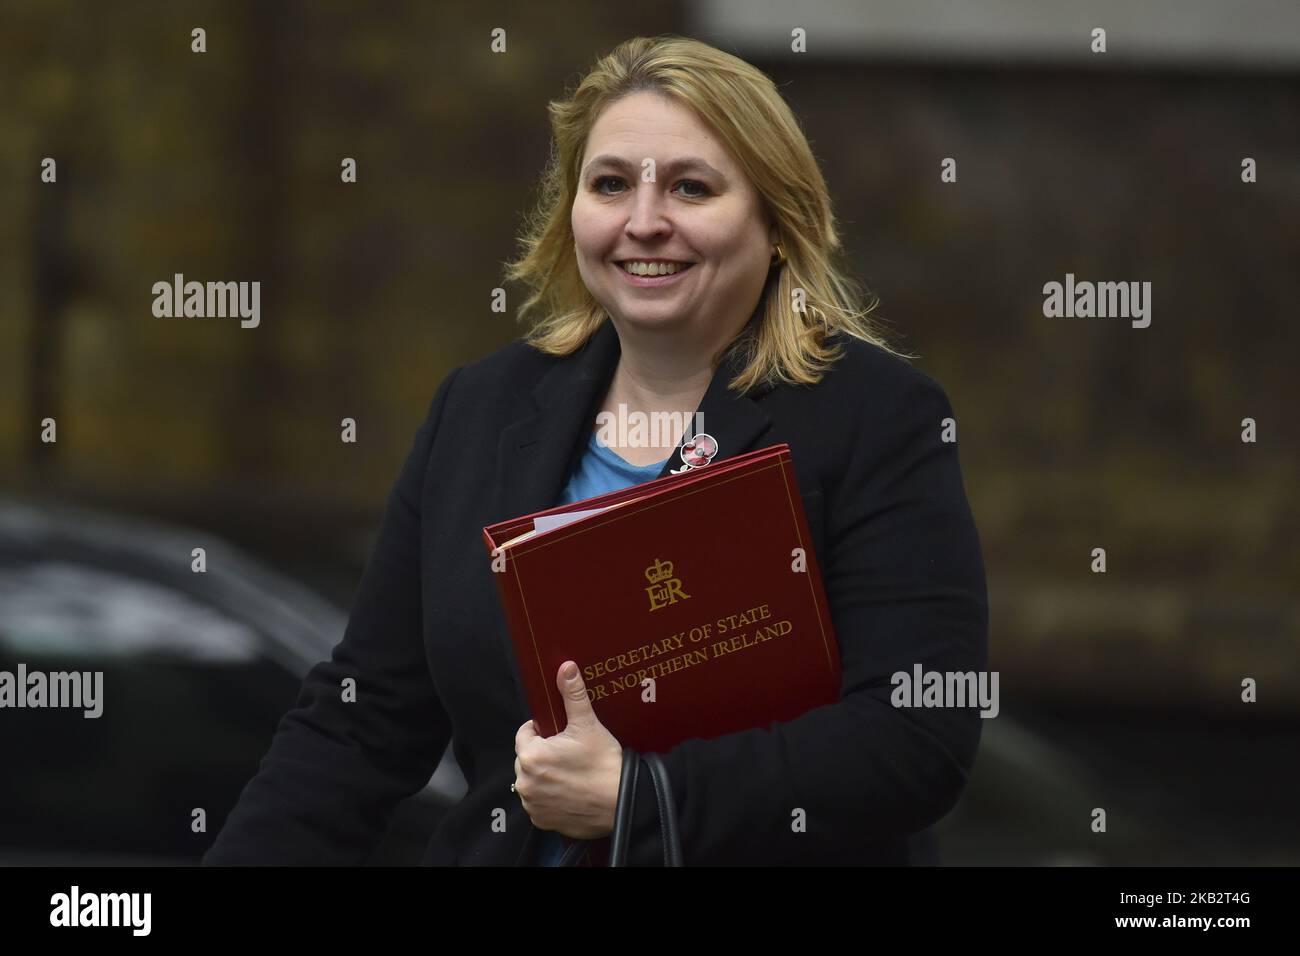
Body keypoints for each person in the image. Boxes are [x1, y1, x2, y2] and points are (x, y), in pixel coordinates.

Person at [203, 34, 987, 867]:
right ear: (570, 213)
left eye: (691, 187)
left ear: (779, 222)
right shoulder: (479, 409)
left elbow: (914, 738)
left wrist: (640, 796)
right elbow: (360, 720)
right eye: (610, 184)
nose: (644, 223)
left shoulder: (875, 419)